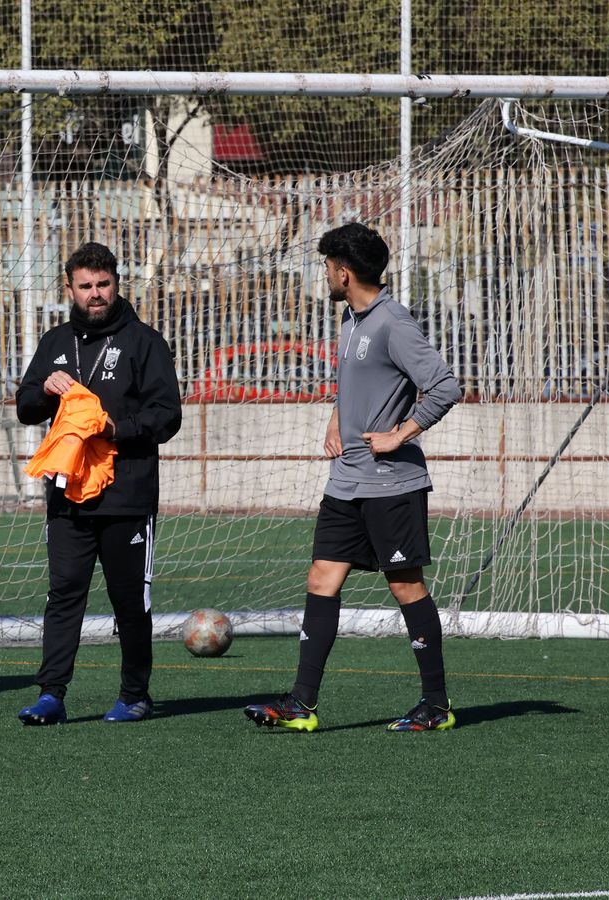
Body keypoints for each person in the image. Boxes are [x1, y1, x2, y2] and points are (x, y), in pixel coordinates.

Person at [243, 223, 461, 733]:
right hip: (347, 482)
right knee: (321, 578)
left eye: (325, 266)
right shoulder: (351, 319)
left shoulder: (393, 323)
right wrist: (337, 416)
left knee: (405, 586)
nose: (323, 274)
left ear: (344, 272)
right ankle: (301, 703)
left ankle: (436, 705)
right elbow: (359, 384)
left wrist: (400, 434)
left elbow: (445, 386)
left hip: (391, 486)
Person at [12, 241, 182, 725]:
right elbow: (25, 406)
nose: (95, 294)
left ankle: (134, 696)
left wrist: (114, 427)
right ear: (69, 288)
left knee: (129, 600)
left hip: (127, 495)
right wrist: (43, 390)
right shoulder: (54, 343)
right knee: (64, 593)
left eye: (103, 284)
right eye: (85, 286)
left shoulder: (145, 342)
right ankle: (51, 695)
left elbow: (167, 416)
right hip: (68, 496)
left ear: (116, 283)